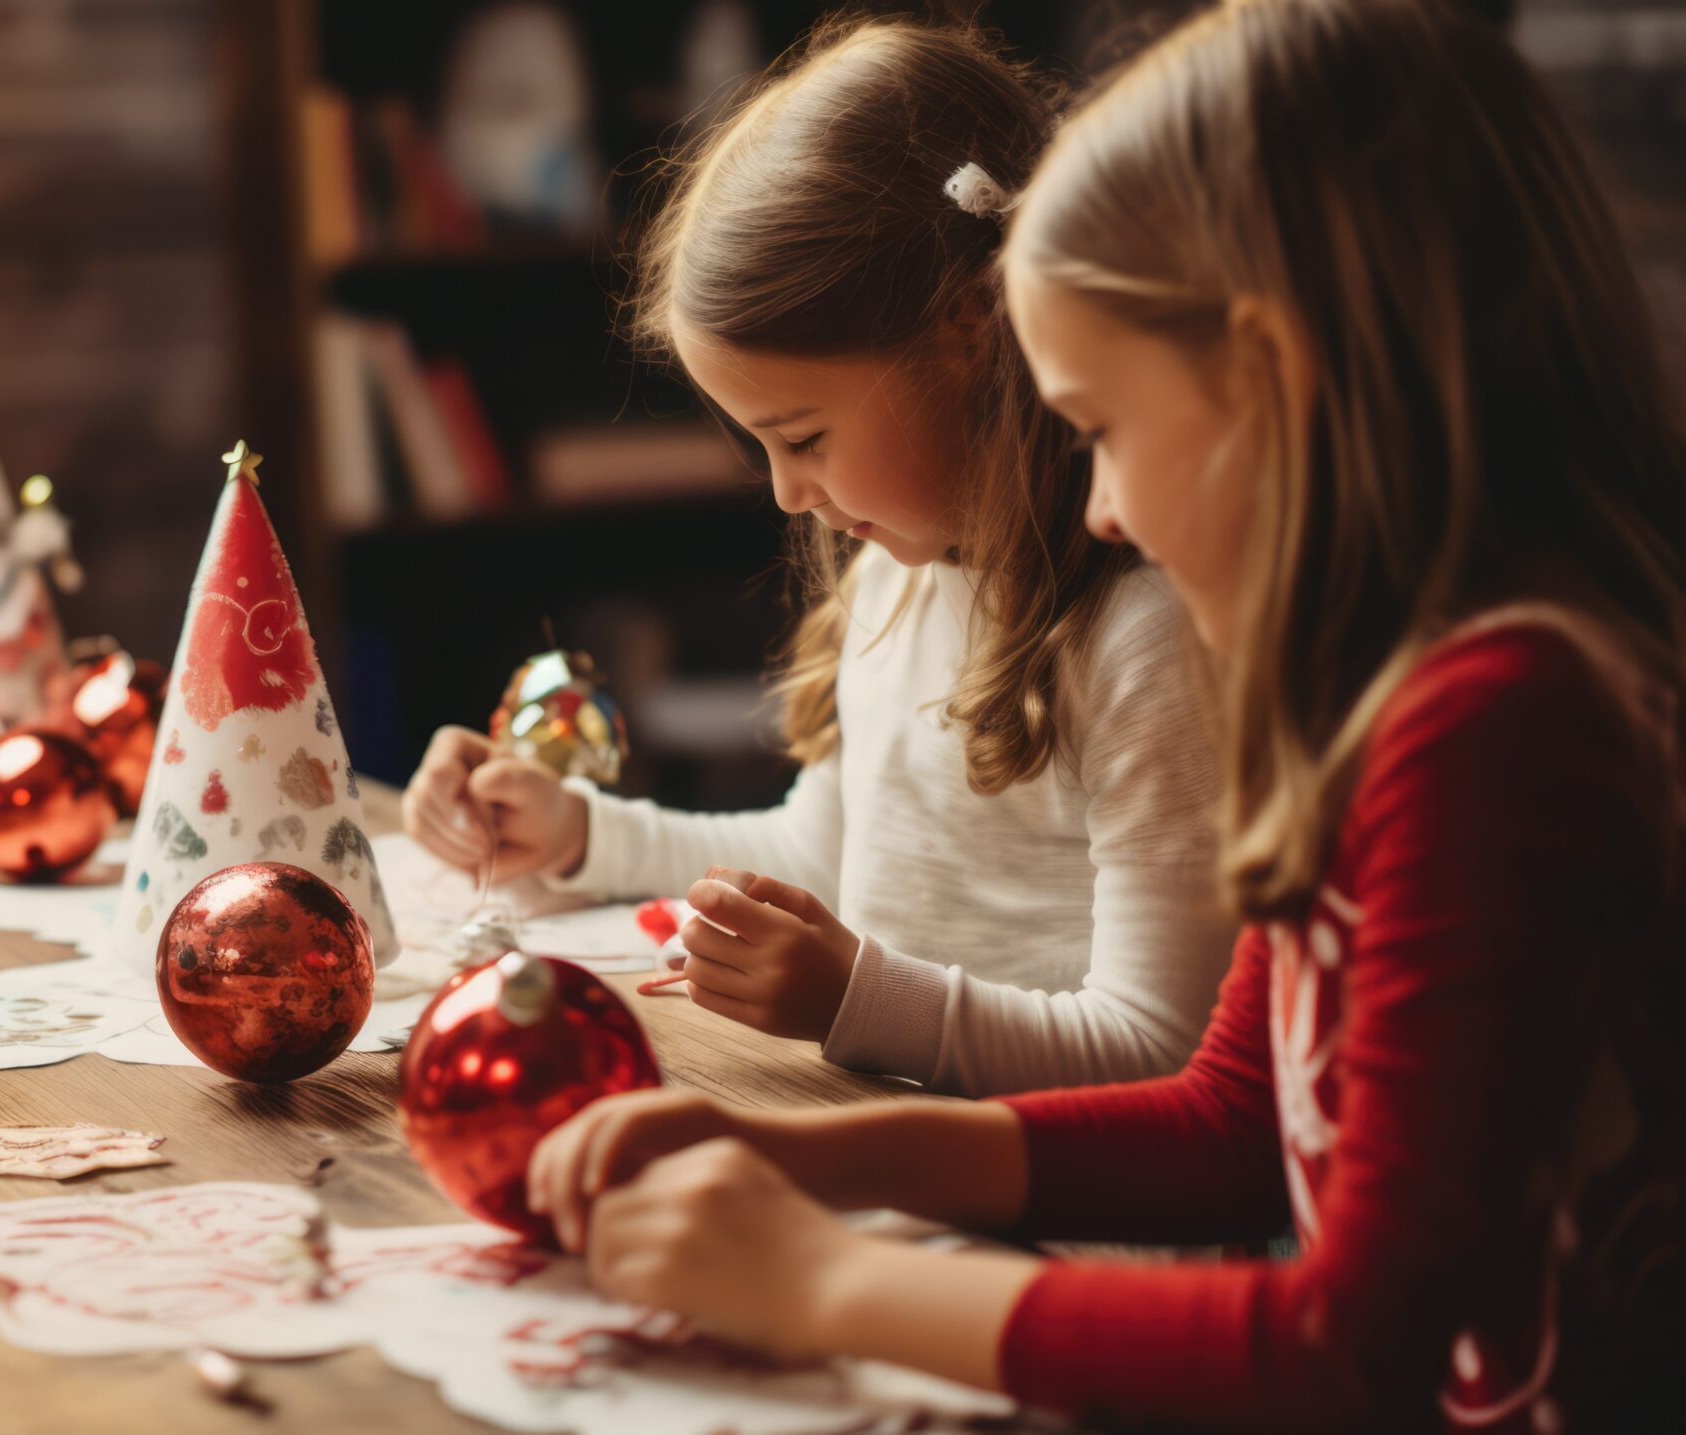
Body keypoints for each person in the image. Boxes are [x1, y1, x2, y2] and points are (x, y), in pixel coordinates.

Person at [529, 2, 1686, 1427]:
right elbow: (1228, 1123)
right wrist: (815, 1162)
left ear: (1268, 378)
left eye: (1105, 429)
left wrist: (825, 1280)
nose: (1102, 504)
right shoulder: (1366, 700)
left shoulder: (1503, 724)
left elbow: (1346, 1347)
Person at [404, 15, 1234, 1096]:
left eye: (802, 437)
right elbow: (820, 860)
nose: (789, 493)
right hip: (898, 1161)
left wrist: (854, 1000)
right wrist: (573, 833)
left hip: (1059, 1223)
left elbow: (1162, 1053)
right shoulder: (896, 580)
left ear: (970, 329)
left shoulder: (1145, 639)